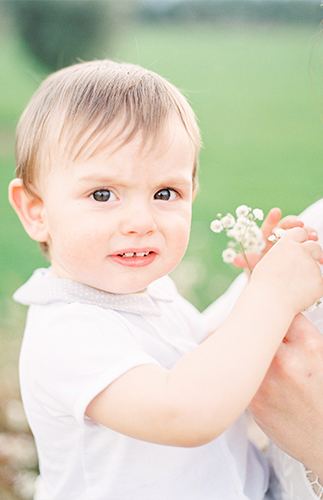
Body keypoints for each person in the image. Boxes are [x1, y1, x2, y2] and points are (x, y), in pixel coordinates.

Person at [8, 59, 323, 500]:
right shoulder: (67, 332)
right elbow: (185, 411)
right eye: (103, 194)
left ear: (192, 193)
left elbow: (205, 361)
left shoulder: (149, 294)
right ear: (36, 211)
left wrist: (259, 283)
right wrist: (270, 297)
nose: (140, 221)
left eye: (165, 194)